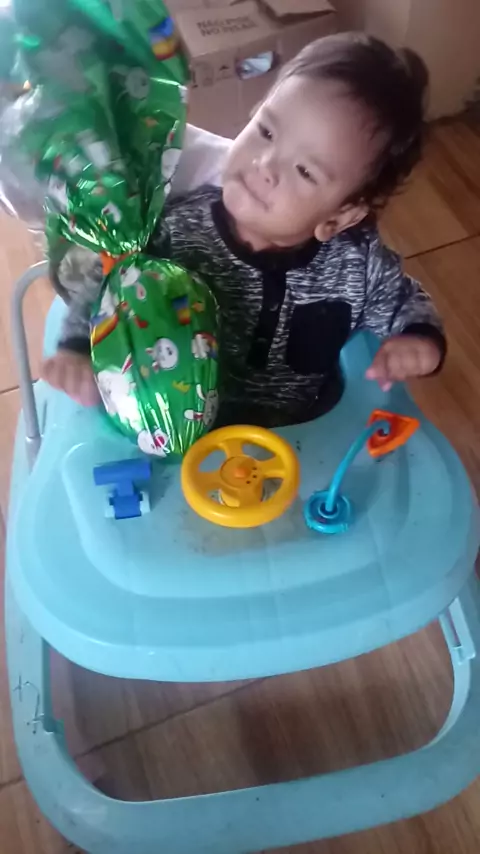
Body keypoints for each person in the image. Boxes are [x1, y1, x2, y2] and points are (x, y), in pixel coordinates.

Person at [42, 33, 446, 428]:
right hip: (182, 427)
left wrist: (418, 340)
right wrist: (77, 348)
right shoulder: (173, 233)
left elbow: (403, 300)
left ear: (338, 218)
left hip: (301, 437)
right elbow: (107, 281)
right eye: (266, 132)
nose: (265, 164)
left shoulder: (357, 264)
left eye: (304, 170)